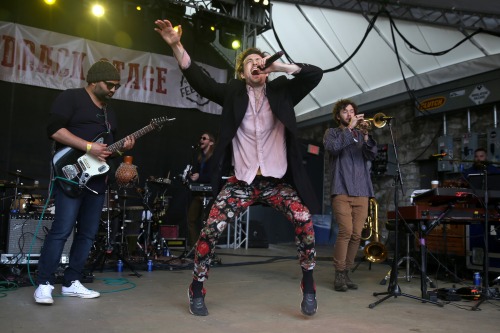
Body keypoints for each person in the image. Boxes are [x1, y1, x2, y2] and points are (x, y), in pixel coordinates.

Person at [154, 19, 323, 317]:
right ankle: (197, 287)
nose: (256, 65)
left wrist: (280, 68)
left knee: (305, 221)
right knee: (210, 231)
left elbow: (314, 75)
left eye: (261, 61)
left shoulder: (282, 91)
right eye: (250, 62)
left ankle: (308, 284)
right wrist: (176, 45)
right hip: (242, 182)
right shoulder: (233, 93)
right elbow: (200, 81)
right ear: (241, 71)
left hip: (276, 181)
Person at [34, 60, 135, 304]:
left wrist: (123, 148)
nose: (113, 89)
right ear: (93, 81)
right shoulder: (71, 98)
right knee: (61, 230)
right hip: (70, 173)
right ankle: (44, 283)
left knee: (88, 233)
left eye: (116, 86)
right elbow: (54, 130)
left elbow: (107, 149)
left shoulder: (109, 112)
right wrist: (88, 146)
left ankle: (71, 282)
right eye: (109, 84)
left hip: (97, 179)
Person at [323, 99, 378, 292]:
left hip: (362, 190)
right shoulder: (333, 133)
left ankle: (346, 273)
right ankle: (339, 273)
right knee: (345, 231)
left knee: (356, 235)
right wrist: (350, 130)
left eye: (352, 111)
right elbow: (334, 148)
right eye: (345, 111)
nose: (349, 114)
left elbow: (371, 155)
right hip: (341, 189)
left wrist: (365, 136)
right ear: (338, 116)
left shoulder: (360, 134)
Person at [187, 132, 216, 248]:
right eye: (201, 137)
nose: (201, 140)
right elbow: (198, 174)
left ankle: (206, 248)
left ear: (211, 142)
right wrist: (193, 176)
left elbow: (213, 176)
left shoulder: (214, 158)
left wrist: (200, 177)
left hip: (210, 194)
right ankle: (195, 247)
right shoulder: (199, 158)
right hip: (199, 193)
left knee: (207, 222)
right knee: (191, 219)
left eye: (204, 138)